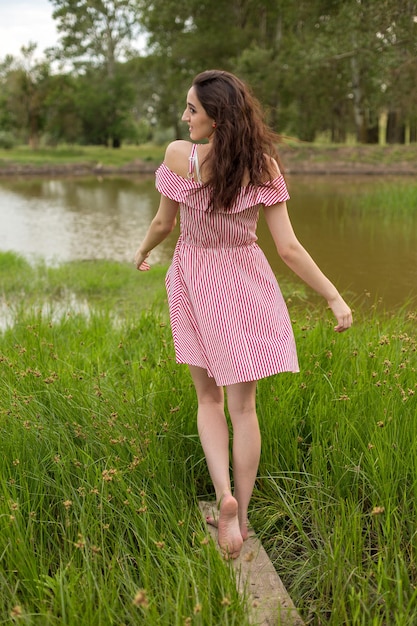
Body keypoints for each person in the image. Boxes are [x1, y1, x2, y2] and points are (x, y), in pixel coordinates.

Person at [134, 69, 352, 560]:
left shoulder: (178, 156)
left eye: (192, 109)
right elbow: (289, 249)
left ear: (216, 115)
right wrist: (334, 297)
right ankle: (244, 516)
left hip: (193, 280)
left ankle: (222, 497)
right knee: (244, 408)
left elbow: (163, 223)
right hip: (247, 285)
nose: (185, 117)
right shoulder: (263, 165)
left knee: (208, 400)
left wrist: (143, 251)